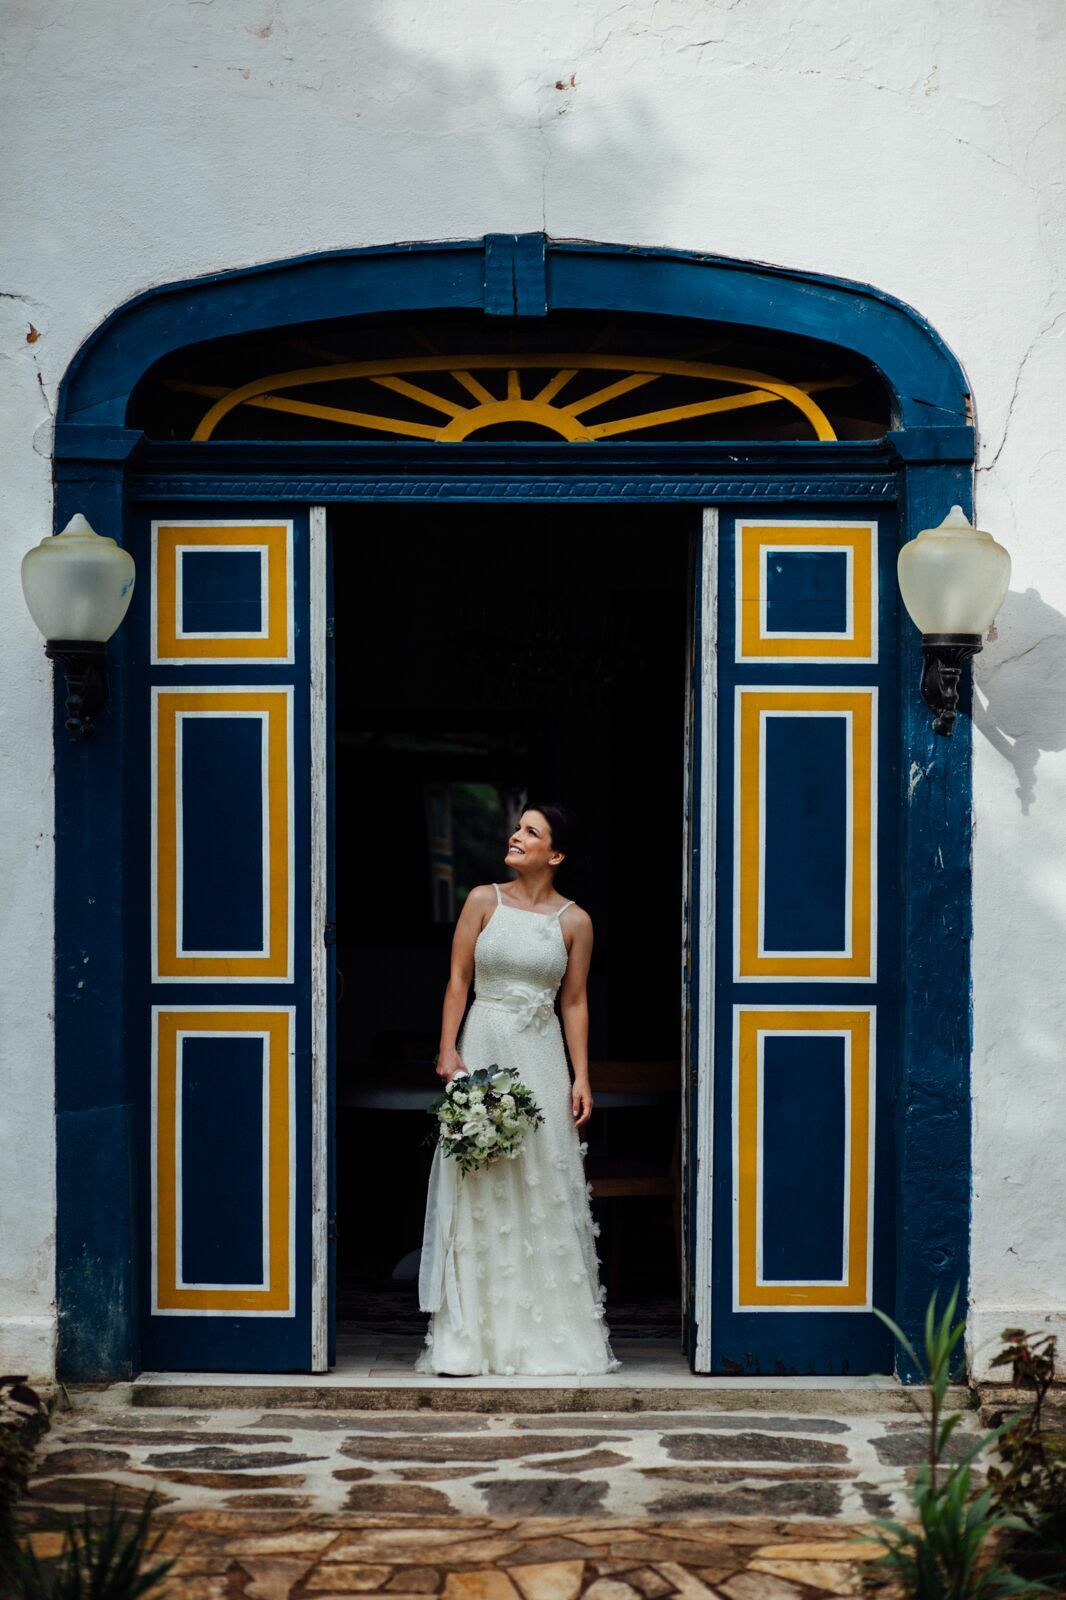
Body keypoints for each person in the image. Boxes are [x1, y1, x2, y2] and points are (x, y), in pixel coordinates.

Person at [417, 803, 618, 1376]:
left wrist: (582, 1075)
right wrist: (448, 1049)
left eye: (531, 831)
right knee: (480, 1177)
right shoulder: (483, 899)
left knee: (543, 1177)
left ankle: (545, 1338)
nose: (516, 835)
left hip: (541, 1056)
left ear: (555, 854)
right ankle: (471, 1340)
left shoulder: (575, 921)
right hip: (483, 1043)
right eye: (517, 827)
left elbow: (574, 1001)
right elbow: (458, 978)